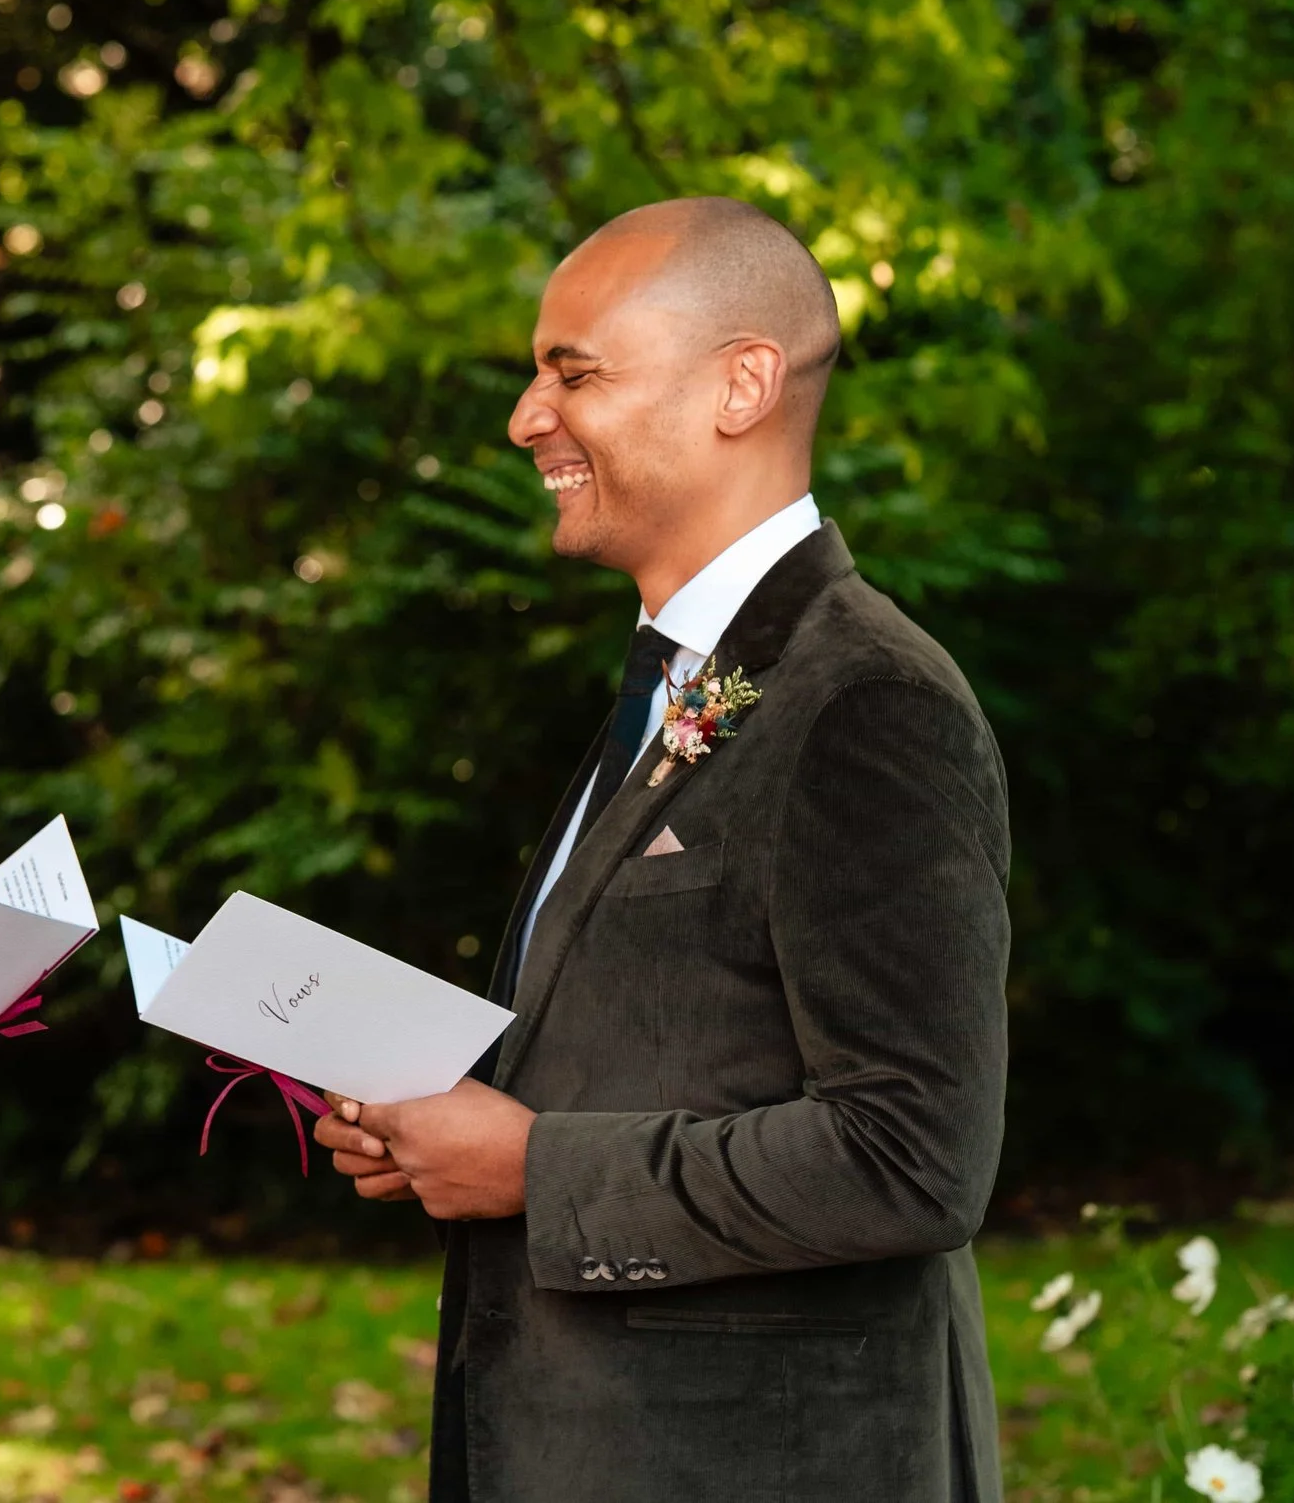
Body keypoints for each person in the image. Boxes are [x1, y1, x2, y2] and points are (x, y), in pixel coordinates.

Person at [315, 199, 1011, 1501]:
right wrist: (437, 1119)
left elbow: (915, 1153)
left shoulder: (867, 698)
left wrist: (531, 1164)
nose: (528, 417)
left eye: (573, 373)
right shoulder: (698, 682)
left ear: (740, 384)